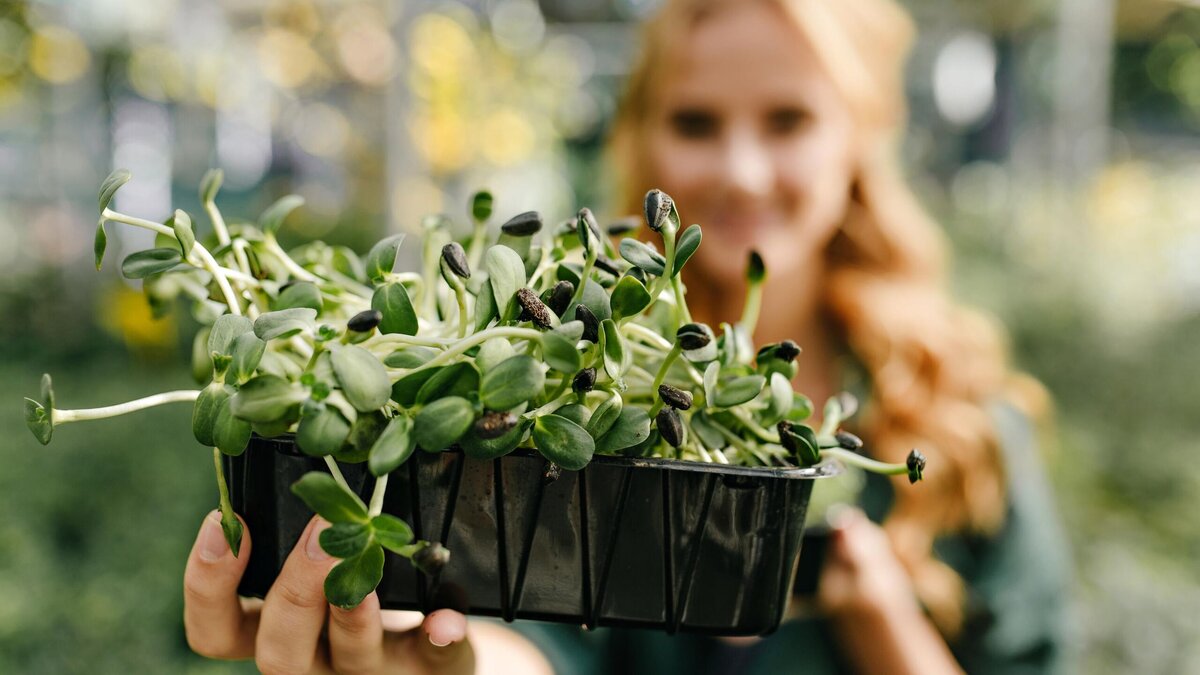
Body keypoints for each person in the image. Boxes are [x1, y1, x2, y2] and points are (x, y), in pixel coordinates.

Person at [182, 0, 1073, 672]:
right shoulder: (556, 385)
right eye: (696, 121)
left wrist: (888, 630)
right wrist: (438, 656)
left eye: (788, 119)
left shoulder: (965, 422)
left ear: (863, 135)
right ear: (641, 133)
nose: (741, 169)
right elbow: (528, 643)